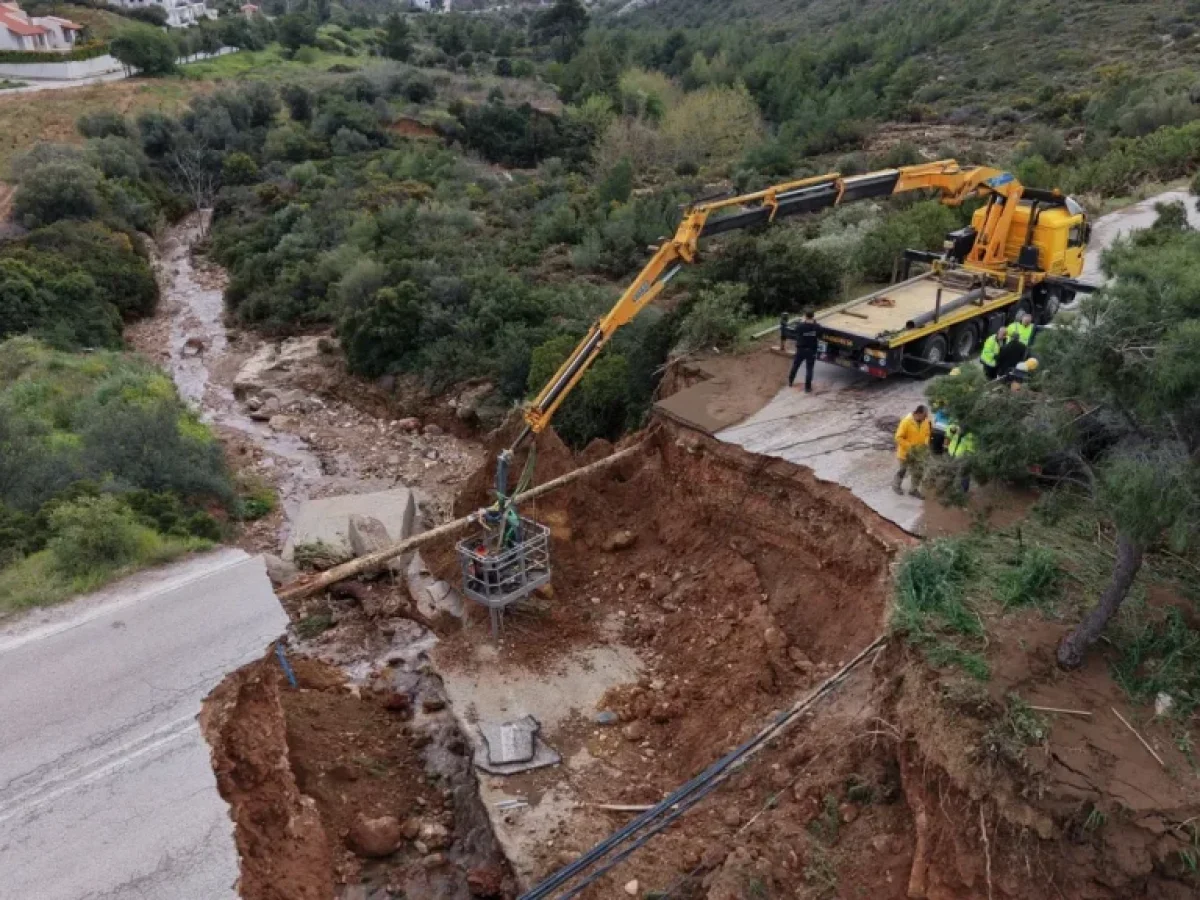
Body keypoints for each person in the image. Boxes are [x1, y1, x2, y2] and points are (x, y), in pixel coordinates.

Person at [893, 404, 931, 498]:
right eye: (924, 415)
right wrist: (910, 447)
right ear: (918, 413)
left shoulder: (925, 421)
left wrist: (926, 443)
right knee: (902, 470)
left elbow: (927, 434)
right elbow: (898, 437)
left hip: (919, 453)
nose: (926, 418)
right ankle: (896, 486)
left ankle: (913, 490)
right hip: (906, 453)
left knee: (918, 471)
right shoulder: (906, 422)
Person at [788, 309, 820, 393]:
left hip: (801, 350)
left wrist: (803, 322)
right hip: (811, 350)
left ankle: (790, 382)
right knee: (809, 369)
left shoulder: (800, 326)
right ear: (813, 316)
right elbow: (819, 334)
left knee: (795, 365)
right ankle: (807, 388)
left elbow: (795, 331)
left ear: (805, 316)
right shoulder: (817, 327)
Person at [946, 423, 976, 494]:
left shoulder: (971, 436)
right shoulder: (955, 428)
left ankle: (963, 492)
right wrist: (953, 429)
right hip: (951, 454)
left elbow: (971, 448)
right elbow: (948, 433)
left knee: (964, 474)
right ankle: (948, 489)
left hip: (962, 457)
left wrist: (966, 456)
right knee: (950, 472)